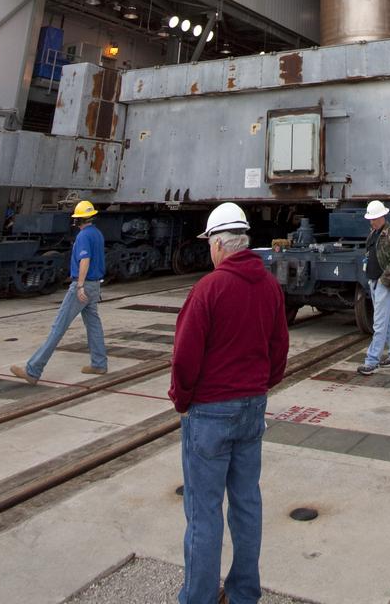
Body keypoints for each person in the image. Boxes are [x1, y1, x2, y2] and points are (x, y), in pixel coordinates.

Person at [170, 201, 289, 604]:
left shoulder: (209, 288)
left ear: (219, 245)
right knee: (246, 504)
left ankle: (198, 597)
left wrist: (181, 400)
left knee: (203, 511)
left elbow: (185, 356)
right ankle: (242, 594)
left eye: (210, 245)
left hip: (210, 413)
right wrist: (260, 386)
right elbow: (279, 348)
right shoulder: (270, 285)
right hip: (252, 407)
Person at [11, 199, 107, 384]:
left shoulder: (83, 236)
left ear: (78, 220)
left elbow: (84, 260)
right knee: (93, 324)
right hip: (95, 285)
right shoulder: (97, 234)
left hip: (83, 285)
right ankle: (99, 363)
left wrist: (79, 286)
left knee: (58, 327)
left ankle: (33, 370)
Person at [357, 199, 390, 375]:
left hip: (385, 283)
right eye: (371, 218)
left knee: (379, 323)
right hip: (374, 281)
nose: (372, 221)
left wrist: (383, 282)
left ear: (383, 216)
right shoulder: (374, 233)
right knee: (387, 321)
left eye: (375, 218)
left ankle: (372, 361)